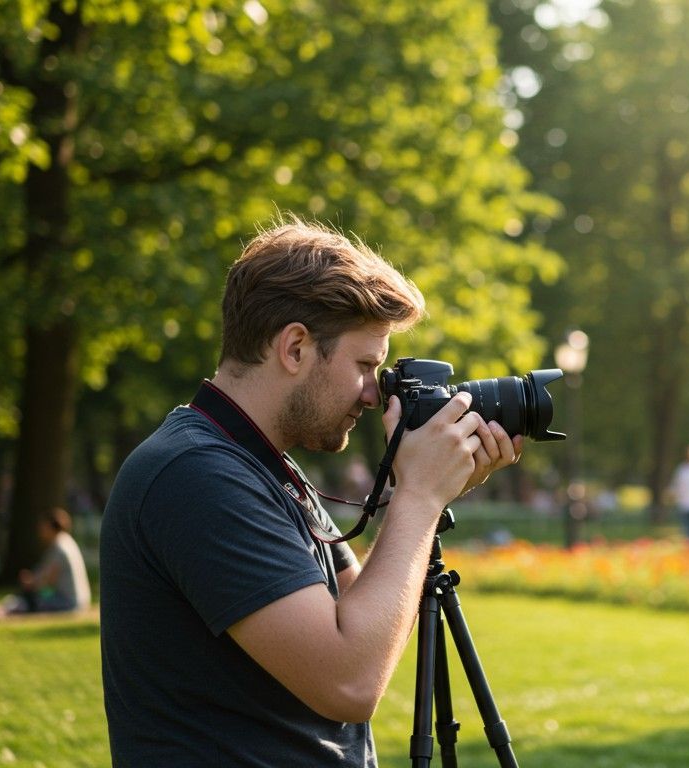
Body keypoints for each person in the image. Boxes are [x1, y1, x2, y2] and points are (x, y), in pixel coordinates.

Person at [99, 219, 522, 766]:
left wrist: (429, 488)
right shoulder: (196, 475)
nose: (373, 394)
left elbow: (365, 620)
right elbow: (350, 682)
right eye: (365, 366)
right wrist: (418, 498)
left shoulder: (260, 463)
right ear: (295, 348)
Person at [0, 507, 91, 615]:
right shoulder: (66, 542)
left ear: (49, 526)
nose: (39, 530)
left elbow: (48, 582)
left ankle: (2, 610)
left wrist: (31, 583)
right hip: (78, 600)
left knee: (28, 600)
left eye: (42, 526)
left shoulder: (60, 547)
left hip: (68, 602)